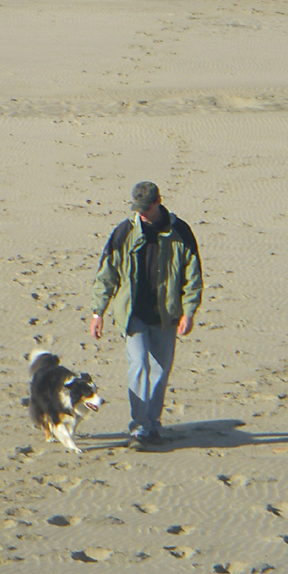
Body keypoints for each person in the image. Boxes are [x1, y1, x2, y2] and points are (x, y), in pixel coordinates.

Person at [89, 181, 203, 447]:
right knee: (139, 365)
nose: (141, 213)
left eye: (146, 208)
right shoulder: (124, 232)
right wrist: (98, 312)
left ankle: (152, 424)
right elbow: (107, 274)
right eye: (138, 208)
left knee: (161, 372)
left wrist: (189, 312)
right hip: (133, 314)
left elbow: (193, 276)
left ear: (157, 202)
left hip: (167, 314)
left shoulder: (181, 232)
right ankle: (139, 427)